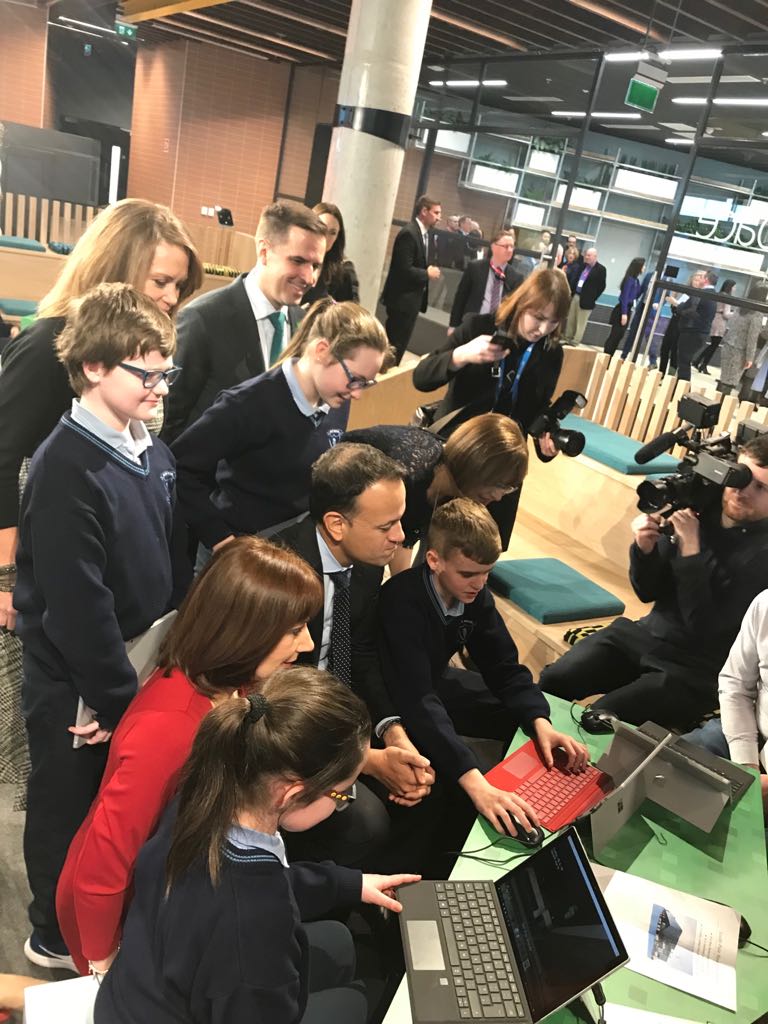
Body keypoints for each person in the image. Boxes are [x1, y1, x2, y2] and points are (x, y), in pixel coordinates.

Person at [56, 536, 322, 977]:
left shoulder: (233, 685)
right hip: (115, 916)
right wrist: (103, 964)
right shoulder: (168, 730)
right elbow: (105, 865)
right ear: (244, 631)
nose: (309, 644)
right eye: (294, 631)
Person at [93, 669, 420, 1024]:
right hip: (181, 1005)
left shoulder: (206, 790)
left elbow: (269, 881)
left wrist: (349, 884)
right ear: (291, 793)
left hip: (144, 985)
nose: (344, 803)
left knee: (339, 941)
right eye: (342, 794)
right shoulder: (253, 923)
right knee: (355, 999)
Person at [15, 284, 179, 970]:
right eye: (144, 372)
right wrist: (114, 700)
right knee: (65, 802)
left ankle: (96, 915)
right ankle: (51, 934)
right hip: (77, 679)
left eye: (164, 370)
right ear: (92, 368)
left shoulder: (149, 447)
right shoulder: (65, 467)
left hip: (131, 662)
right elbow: (76, 607)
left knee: (109, 808)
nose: (158, 385)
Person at [0, 198, 201, 634]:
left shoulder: (141, 346)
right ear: (115, 268)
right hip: (42, 566)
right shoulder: (46, 345)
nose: (171, 298)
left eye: (179, 286)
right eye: (162, 281)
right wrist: (5, 576)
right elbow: (3, 457)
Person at [378, 498, 588, 839]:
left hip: (434, 684)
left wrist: (540, 721)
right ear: (434, 560)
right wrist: (475, 780)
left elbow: (503, 666)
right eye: (468, 573)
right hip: (398, 701)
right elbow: (417, 700)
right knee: (456, 776)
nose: (479, 583)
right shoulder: (401, 603)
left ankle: (541, 793)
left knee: (520, 715)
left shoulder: (475, 594)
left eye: (487, 572)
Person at [271, 443, 437, 869]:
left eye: (400, 520)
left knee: (429, 779)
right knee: (366, 823)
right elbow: (269, 700)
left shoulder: (364, 561)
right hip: (281, 741)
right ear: (336, 524)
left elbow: (358, 653)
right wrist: (365, 760)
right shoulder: (277, 574)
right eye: (388, 526)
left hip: (336, 722)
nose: (401, 538)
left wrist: (393, 733)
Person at [540, 434, 768, 730]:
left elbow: (704, 628)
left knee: (598, 718)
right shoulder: (699, 508)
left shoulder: (762, 557)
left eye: (760, 487)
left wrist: (690, 553)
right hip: (645, 635)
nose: (742, 492)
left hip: (696, 669)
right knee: (554, 679)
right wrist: (644, 550)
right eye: (740, 477)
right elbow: (647, 591)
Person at [172, 300, 389, 564]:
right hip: (240, 555)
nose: (357, 393)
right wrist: (220, 539)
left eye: (366, 384)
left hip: (291, 551)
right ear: (322, 350)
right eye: (354, 379)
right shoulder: (247, 404)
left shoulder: (335, 401)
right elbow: (182, 469)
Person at [413, 269, 571, 547]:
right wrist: (461, 355)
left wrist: (547, 439)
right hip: (461, 455)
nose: (543, 329)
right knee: (437, 546)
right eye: (539, 318)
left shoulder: (551, 352)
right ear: (523, 303)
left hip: (503, 469)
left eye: (553, 322)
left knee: (483, 551)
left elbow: (536, 408)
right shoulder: (479, 328)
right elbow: (422, 377)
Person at [161, 200, 327, 443]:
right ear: (264, 252)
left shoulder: (305, 326)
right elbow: (171, 421)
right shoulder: (203, 320)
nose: (309, 277)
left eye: (316, 265)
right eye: (299, 261)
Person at [344, 413, 529, 569]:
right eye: (497, 483)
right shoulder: (415, 471)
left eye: (507, 487)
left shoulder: (452, 482)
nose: (497, 496)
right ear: (477, 463)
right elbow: (393, 538)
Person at [682, 589, 768, 819]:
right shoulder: (765, 603)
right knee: (665, 768)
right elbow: (735, 684)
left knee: (742, 842)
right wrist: (746, 767)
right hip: (752, 729)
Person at [380, 194, 442, 364]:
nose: (439, 217)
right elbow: (403, 270)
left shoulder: (424, 235)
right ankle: (385, 381)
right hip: (401, 301)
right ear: (424, 211)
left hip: (410, 301)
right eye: (436, 213)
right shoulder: (409, 233)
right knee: (394, 346)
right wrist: (427, 274)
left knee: (399, 346)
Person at [448, 229, 523, 333]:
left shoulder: (516, 277)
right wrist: (453, 325)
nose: (510, 250)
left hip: (496, 330)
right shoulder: (475, 268)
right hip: (471, 324)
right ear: (493, 246)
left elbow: (514, 309)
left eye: (512, 246)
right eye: (506, 246)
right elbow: (461, 298)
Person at [303, 202, 360, 305]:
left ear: (338, 237)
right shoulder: (296, 259)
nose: (326, 237)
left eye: (332, 233)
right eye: (321, 229)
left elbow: (350, 314)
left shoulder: (344, 271)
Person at [717, 282, 768, 396]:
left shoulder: (741, 306)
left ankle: (715, 403)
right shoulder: (757, 313)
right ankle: (721, 408)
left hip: (728, 344)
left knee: (724, 377)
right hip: (740, 350)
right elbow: (752, 337)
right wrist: (750, 358)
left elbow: (733, 324)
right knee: (731, 381)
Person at [562, 247, 606, 345]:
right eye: (586, 255)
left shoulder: (601, 269)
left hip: (587, 300)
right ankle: (567, 338)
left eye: (589, 255)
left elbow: (602, 286)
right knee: (571, 318)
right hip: (576, 296)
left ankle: (575, 341)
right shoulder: (582, 266)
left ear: (595, 256)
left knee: (580, 322)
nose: (587, 257)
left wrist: (593, 297)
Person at [603, 258, 645, 357]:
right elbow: (624, 297)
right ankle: (606, 356)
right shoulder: (629, 279)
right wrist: (624, 313)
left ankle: (609, 357)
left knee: (619, 336)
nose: (644, 268)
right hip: (621, 310)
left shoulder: (636, 281)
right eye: (643, 266)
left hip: (628, 310)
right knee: (614, 336)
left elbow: (636, 295)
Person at [694, 278, 735, 373]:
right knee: (714, 345)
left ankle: (698, 361)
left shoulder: (718, 294)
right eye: (734, 287)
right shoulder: (727, 298)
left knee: (712, 344)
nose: (735, 289)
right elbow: (726, 314)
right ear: (730, 287)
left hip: (713, 319)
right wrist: (735, 314)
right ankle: (703, 365)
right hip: (720, 322)